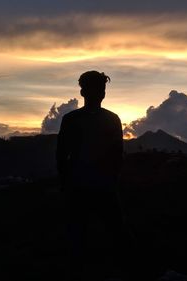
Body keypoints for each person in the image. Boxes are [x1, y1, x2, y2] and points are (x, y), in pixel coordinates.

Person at [57, 70, 129, 280]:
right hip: (89, 187)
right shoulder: (105, 119)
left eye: (102, 88)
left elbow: (62, 155)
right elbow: (62, 154)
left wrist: (66, 182)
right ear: (83, 91)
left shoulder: (75, 119)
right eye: (98, 88)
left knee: (91, 235)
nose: (101, 92)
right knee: (94, 235)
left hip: (93, 186)